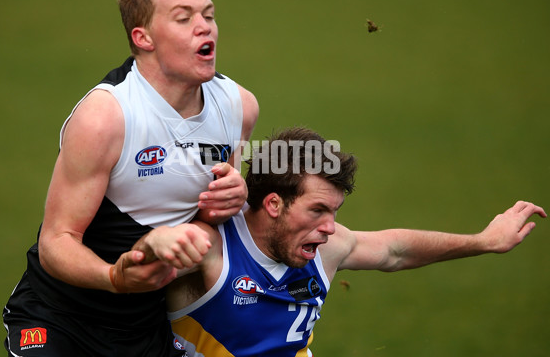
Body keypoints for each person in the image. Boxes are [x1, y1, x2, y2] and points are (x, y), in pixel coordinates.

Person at [2, 0, 259, 356]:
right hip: (59, 318)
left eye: (208, 14)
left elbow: (206, 223)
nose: (204, 25)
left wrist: (231, 199)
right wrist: (114, 277)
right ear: (143, 37)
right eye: (183, 17)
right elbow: (56, 242)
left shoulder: (238, 107)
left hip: (150, 325)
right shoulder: (106, 118)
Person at [147, 127, 544, 357]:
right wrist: (156, 241)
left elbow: (395, 249)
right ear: (273, 203)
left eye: (334, 211)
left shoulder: (327, 248)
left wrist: (483, 241)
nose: (330, 227)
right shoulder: (213, 248)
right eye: (318, 210)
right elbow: (129, 270)